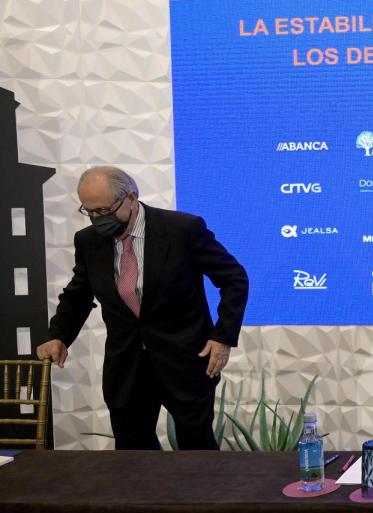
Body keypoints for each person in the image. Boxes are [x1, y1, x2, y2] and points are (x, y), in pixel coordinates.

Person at [36, 166, 248, 450]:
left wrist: (222, 337)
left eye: (105, 210)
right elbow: (78, 294)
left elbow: (234, 279)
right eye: (90, 212)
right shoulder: (88, 241)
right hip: (127, 367)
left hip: (184, 361)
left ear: (132, 198)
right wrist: (58, 335)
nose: (99, 219)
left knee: (197, 455)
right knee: (132, 460)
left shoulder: (182, 230)